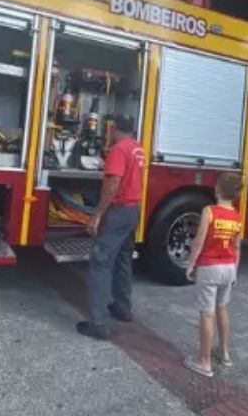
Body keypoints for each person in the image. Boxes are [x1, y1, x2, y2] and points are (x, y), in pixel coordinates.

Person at [77, 115, 145, 340]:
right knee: (123, 259)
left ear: (115, 129)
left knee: (101, 262)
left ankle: (98, 323)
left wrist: (97, 215)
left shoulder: (118, 149)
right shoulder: (137, 148)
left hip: (118, 211)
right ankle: (122, 307)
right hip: (133, 211)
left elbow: (113, 184)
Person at [183, 172, 242, 378]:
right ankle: (225, 354)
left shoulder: (209, 211)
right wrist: (235, 271)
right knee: (222, 308)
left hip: (210, 268)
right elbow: (237, 247)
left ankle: (204, 362)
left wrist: (191, 265)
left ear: (217, 189)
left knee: (207, 314)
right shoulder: (237, 216)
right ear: (235, 195)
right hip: (229, 268)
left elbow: (198, 242)